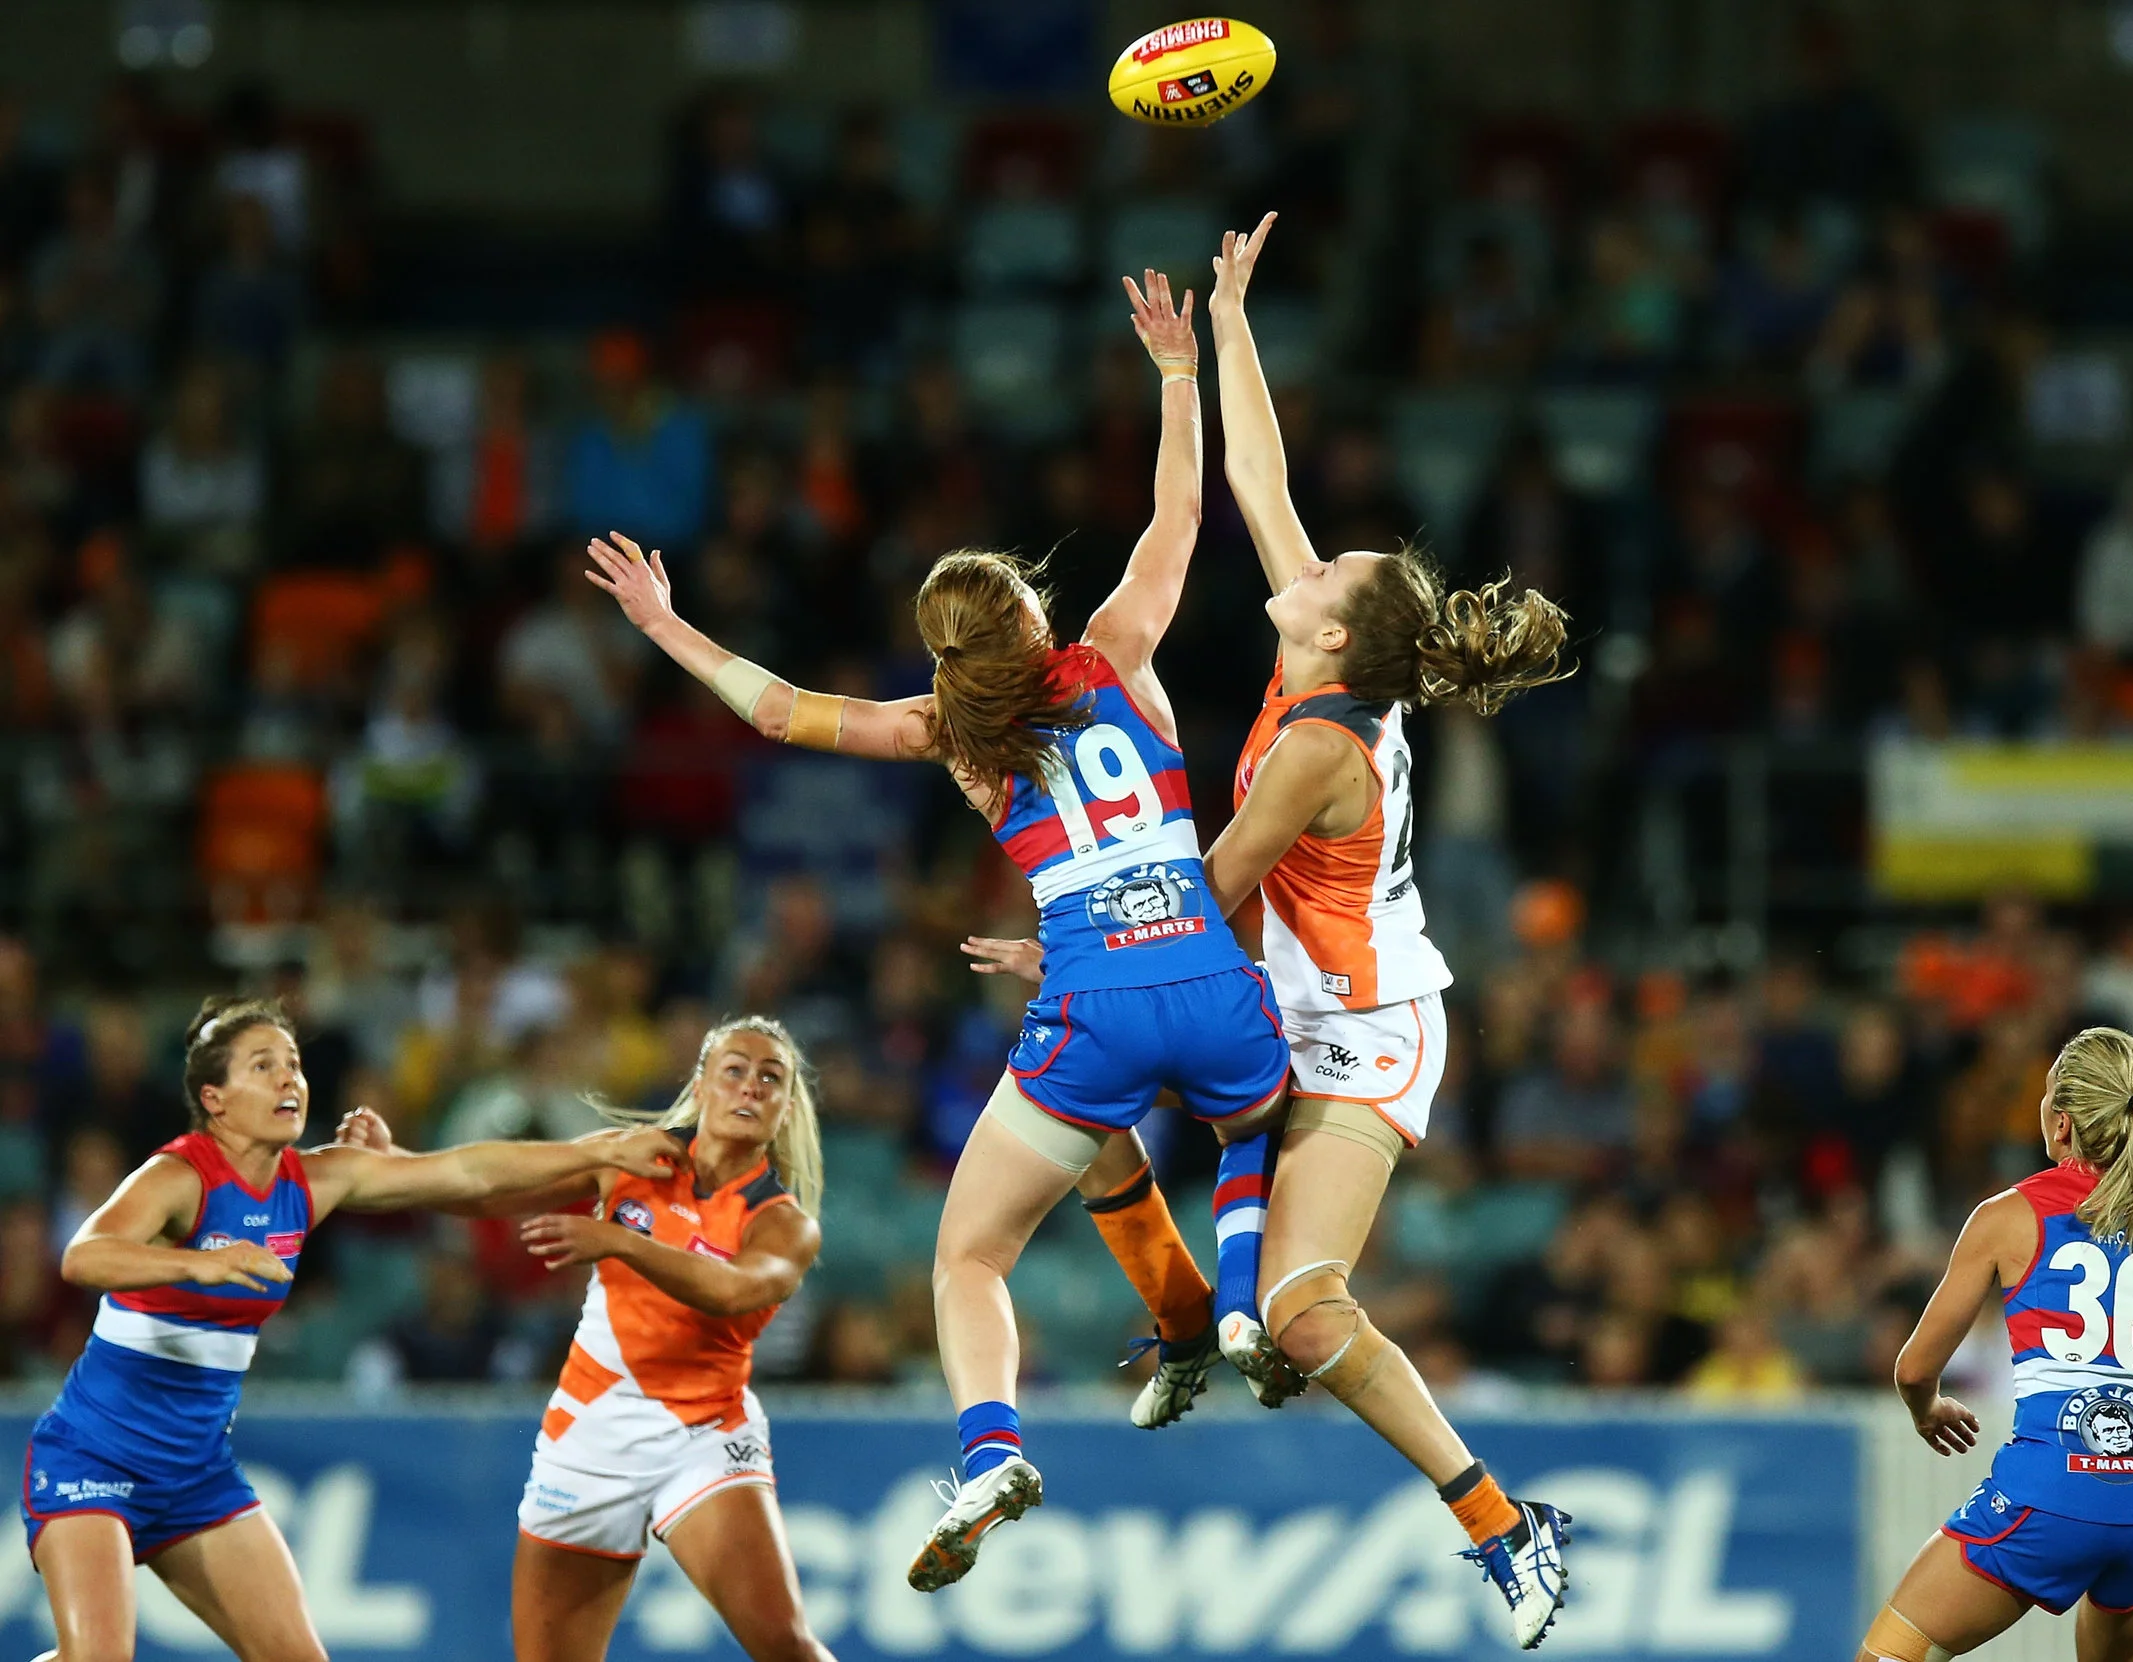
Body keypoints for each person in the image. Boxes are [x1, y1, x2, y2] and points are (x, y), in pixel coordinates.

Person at [584, 267, 1290, 1593]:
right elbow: (1181, 513)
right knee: (1241, 1125)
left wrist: (665, 624)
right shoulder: (1117, 650)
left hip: (1089, 1003)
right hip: (1209, 973)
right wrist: (1176, 373)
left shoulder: (952, 736)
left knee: (971, 1253)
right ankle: (1225, 1306)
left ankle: (991, 1450)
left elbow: (780, 712)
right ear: (1034, 616)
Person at [966, 214, 1577, 1650]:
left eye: (1324, 571)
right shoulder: (1331, 661)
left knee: (1306, 1311)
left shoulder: (1317, 745)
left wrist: (1083, 945)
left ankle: (1503, 1523)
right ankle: (1192, 1320)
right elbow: (1261, 481)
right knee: (1089, 1082)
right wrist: (1228, 325)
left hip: (1365, 1028)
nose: (1299, 565)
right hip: (1286, 995)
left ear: (1334, 633)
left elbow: (1214, 889)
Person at [22, 995, 684, 1662]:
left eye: (293, 1064)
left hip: (195, 1474)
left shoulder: (314, 1180)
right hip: (94, 1457)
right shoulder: (180, 1175)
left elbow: (467, 1173)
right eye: (263, 1065)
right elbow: (84, 1255)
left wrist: (600, 1151)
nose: (288, 1079)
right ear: (214, 1100)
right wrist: (201, 1262)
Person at [339, 1016, 832, 1662]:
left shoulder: (784, 1223)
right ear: (700, 1086)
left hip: (704, 1436)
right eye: (734, 1070)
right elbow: (488, 1189)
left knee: (785, 1644)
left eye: (770, 1079)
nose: (750, 1087)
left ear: (785, 1109)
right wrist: (402, 1163)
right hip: (589, 1433)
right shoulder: (634, 1157)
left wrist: (622, 1241)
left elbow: (733, 1290)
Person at [1860, 1026, 2133, 1662]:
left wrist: (1928, 1408)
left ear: (2062, 1124)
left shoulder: (2009, 1216)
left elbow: (1915, 1367)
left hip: (2051, 1494)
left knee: (1890, 1655)